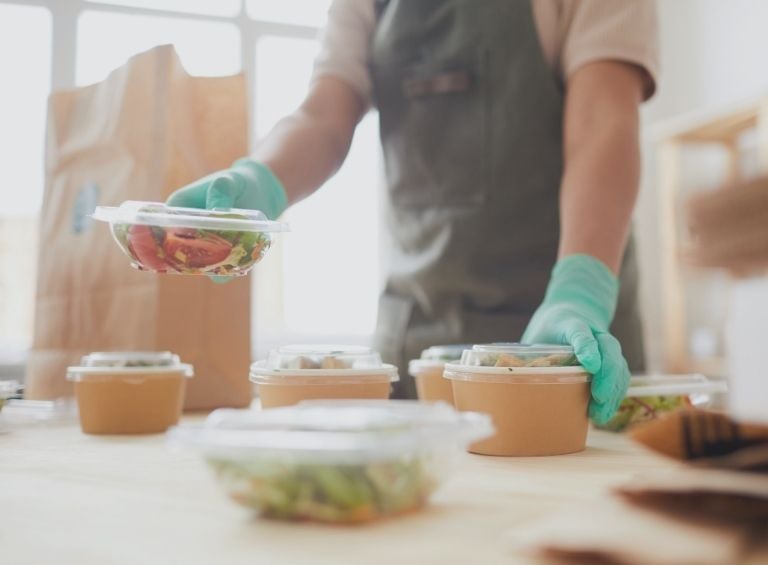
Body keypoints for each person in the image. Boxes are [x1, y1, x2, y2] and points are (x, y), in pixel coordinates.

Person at [167, 0, 659, 425]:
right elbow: (323, 115)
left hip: (570, 344)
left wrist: (580, 290)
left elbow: (605, 119)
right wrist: (258, 180)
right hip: (417, 343)